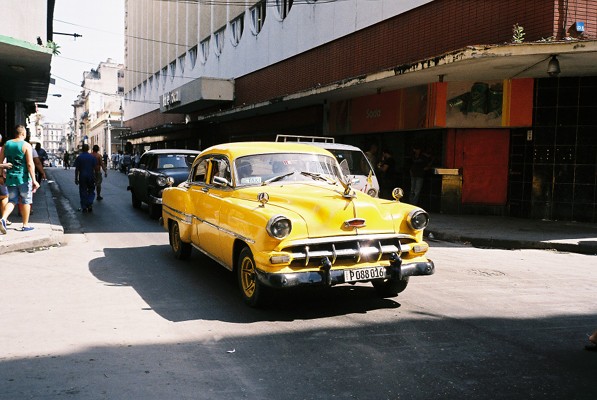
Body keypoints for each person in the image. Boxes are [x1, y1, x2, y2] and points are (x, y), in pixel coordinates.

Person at [0, 125, 40, 233]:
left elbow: (1, 161)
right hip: (23, 178)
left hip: (10, 177)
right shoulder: (26, 145)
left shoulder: (6, 144)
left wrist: (0, 176)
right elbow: (30, 164)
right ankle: (25, 225)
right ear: (23, 133)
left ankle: (3, 218)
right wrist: (34, 180)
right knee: (26, 201)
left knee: (12, 200)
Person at [74, 144, 97, 212]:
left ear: (82, 149)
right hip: (90, 175)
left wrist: (76, 178)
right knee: (91, 190)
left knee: (83, 191)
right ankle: (89, 203)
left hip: (82, 176)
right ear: (88, 149)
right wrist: (95, 177)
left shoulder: (79, 157)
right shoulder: (92, 157)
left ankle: (84, 206)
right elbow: (95, 168)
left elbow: (77, 169)